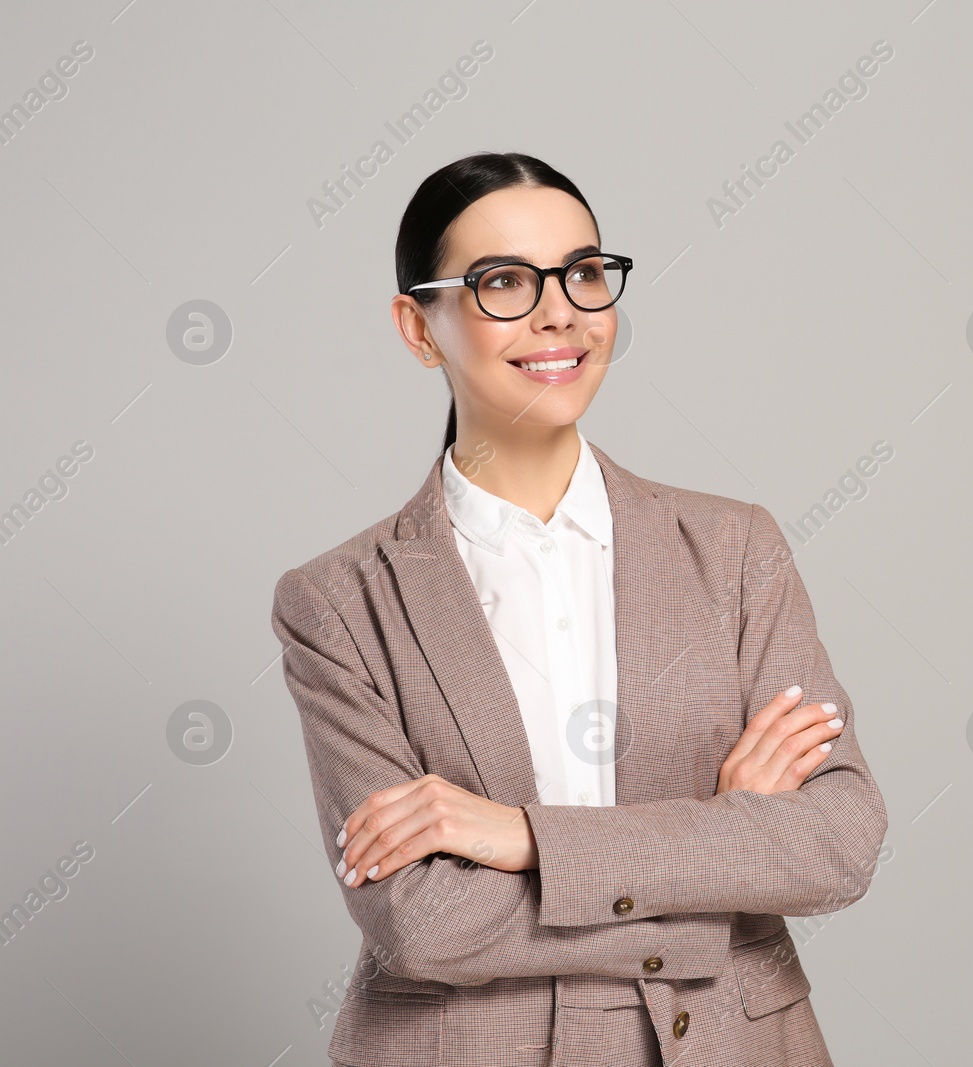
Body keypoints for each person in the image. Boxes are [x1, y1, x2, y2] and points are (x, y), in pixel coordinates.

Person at [269, 151, 888, 1066]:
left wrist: (519, 836)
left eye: (585, 273)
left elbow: (836, 842)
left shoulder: (735, 548)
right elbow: (424, 921)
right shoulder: (337, 601)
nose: (560, 310)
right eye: (505, 282)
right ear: (417, 325)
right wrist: (723, 843)